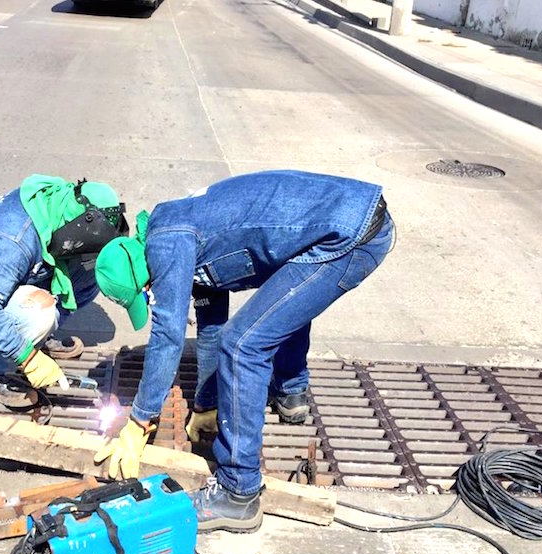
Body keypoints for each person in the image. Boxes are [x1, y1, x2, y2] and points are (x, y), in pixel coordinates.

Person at [92, 170, 393, 533]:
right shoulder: (183, 231)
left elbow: (168, 336)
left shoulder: (168, 244)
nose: (154, 299)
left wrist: (139, 421)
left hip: (350, 236)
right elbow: (210, 320)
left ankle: (238, 492)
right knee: (279, 304)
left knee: (243, 345)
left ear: (144, 275)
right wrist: (206, 403)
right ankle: (291, 390)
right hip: (349, 217)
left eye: (147, 295)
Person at [0, 175, 127, 400]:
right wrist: (28, 358)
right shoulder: (12, 242)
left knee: (90, 269)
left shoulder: (58, 204)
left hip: (10, 280)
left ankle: (37, 337)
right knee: (41, 316)